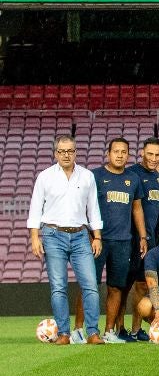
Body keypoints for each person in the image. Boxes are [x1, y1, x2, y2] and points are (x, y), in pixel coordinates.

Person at [28, 135, 105, 345]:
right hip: (53, 235)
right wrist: (35, 237)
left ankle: (92, 333)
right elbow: (35, 208)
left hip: (81, 235)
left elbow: (93, 209)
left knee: (90, 285)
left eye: (70, 151)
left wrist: (97, 236)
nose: (66, 155)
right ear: (55, 153)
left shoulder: (87, 176)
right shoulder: (44, 177)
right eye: (61, 151)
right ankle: (63, 333)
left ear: (76, 152)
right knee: (58, 287)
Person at [72, 138, 143, 343]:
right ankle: (78, 330)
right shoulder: (94, 176)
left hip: (123, 242)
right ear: (108, 153)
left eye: (124, 152)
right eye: (116, 151)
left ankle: (109, 331)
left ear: (128, 155)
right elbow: (82, 206)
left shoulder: (133, 178)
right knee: (88, 285)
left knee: (116, 287)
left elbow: (137, 209)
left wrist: (143, 236)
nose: (120, 155)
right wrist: (90, 234)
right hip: (97, 240)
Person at [123, 136, 159, 341]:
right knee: (123, 285)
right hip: (131, 239)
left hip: (150, 240)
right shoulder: (131, 174)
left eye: (158, 155)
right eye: (150, 154)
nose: (154, 158)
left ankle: (135, 330)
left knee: (142, 285)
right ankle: (116, 328)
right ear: (141, 153)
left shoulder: (157, 176)